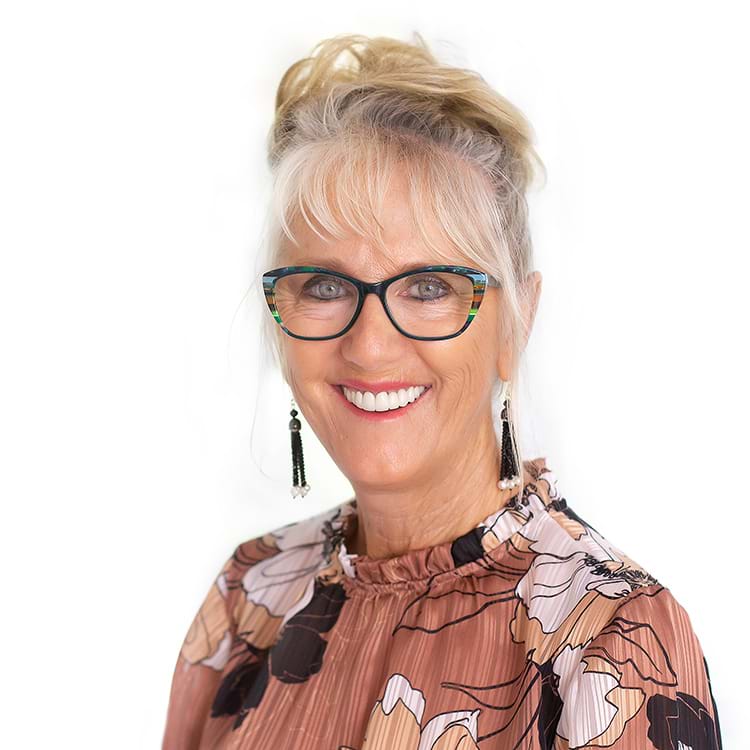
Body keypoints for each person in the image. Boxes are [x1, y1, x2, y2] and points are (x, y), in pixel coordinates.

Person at [162, 32, 722, 749]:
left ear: (516, 322)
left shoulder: (612, 637)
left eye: (429, 287)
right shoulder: (251, 594)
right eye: (325, 286)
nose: (369, 345)